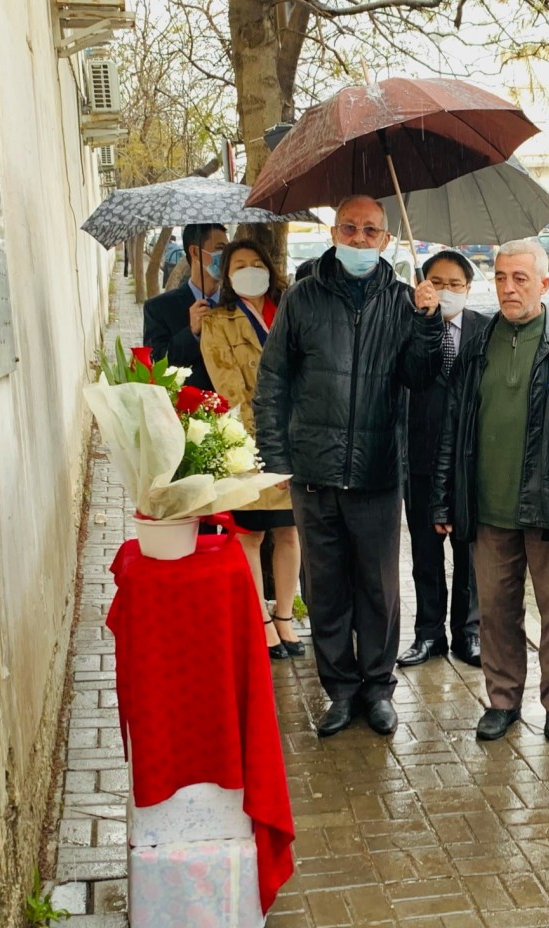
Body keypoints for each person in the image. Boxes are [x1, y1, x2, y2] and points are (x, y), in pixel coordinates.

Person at [253, 195, 443, 738]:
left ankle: (378, 688)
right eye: (350, 228)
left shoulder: (405, 301)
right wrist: (277, 455)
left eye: (371, 231)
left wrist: (427, 323)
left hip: (377, 472)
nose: (360, 239)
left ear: (386, 240)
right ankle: (339, 689)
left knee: (379, 590)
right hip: (312, 473)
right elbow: (273, 381)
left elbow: (421, 376)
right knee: (326, 590)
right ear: (334, 232)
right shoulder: (303, 298)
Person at [430, 239, 549, 743]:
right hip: (488, 509)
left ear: (544, 283)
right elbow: (452, 429)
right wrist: (445, 498)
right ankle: (503, 700)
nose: (508, 287)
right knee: (497, 612)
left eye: (520, 278)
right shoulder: (477, 347)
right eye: (501, 277)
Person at [199, 239, 304, 661]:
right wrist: (263, 432)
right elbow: (227, 385)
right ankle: (259, 619)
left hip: (297, 438)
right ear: (225, 275)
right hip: (250, 442)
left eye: (255, 263)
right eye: (238, 265)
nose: (249, 270)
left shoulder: (291, 309)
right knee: (251, 533)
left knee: (290, 531)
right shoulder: (218, 320)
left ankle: (284, 616)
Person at [397, 250, 489, 669]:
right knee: (425, 553)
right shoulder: (411, 326)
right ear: (423, 283)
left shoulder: (486, 331)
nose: (447, 290)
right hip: (421, 455)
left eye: (456, 284)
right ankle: (428, 633)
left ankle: (468, 632)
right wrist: (425, 320)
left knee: (469, 553)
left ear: (468, 289)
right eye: (438, 282)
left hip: (469, 461)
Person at [143, 222, 229, 390]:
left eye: (228, 248)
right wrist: (191, 333)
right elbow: (157, 366)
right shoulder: (159, 308)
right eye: (220, 248)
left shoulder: (237, 304)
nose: (226, 255)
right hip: (189, 410)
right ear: (195, 252)